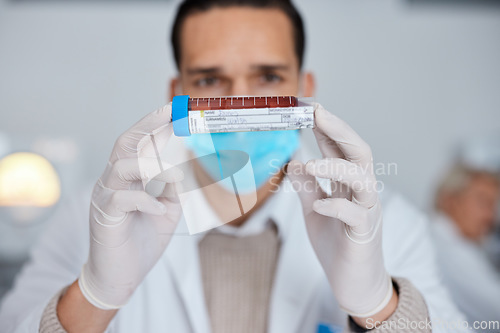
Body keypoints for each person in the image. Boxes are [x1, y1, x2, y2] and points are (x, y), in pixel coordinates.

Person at [0, 0, 468, 332]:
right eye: (209, 79)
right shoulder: (98, 214)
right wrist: (95, 296)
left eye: (268, 76)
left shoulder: (381, 221)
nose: (241, 104)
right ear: (175, 94)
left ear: (304, 87)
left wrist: (378, 306)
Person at [431, 163, 500, 332]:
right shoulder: (447, 249)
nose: (490, 217)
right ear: (450, 200)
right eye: (484, 202)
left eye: (493, 206)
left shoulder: (461, 244)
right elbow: (495, 308)